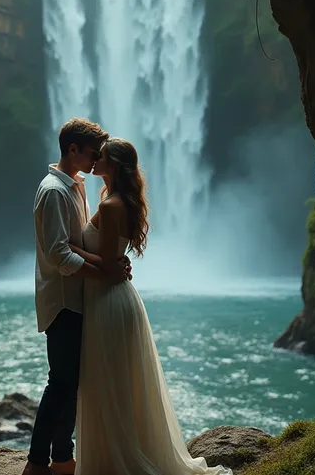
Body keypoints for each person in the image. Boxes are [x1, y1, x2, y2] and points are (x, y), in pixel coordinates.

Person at [69, 137, 233, 475]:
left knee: (109, 384)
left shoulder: (113, 205)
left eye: (100, 157)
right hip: (112, 300)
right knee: (117, 384)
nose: (94, 160)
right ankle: (115, 458)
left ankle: (117, 462)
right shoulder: (114, 200)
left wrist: (68, 248)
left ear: (112, 164)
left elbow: (109, 265)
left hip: (109, 301)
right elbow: (113, 262)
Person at [22, 119, 132, 475]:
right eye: (91, 152)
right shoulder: (55, 190)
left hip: (81, 298)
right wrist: (105, 271)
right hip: (64, 300)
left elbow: (81, 243)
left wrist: (110, 258)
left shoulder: (76, 186)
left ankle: (62, 458)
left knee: (70, 384)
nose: (97, 158)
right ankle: (37, 464)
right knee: (61, 384)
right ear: (72, 149)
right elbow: (59, 254)